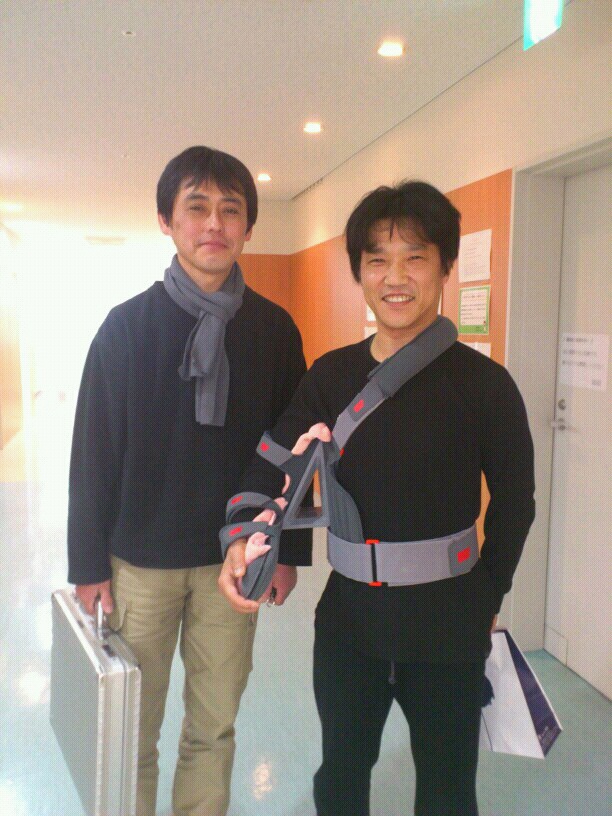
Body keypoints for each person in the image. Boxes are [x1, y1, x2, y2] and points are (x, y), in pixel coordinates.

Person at [219, 181, 535, 816]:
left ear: (445, 266)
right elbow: (271, 462)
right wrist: (241, 537)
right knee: (341, 775)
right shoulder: (331, 375)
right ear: (359, 272)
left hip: (449, 624)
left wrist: (486, 596)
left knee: (448, 790)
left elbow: (516, 502)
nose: (395, 277)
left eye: (415, 257)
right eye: (377, 260)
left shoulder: (486, 384)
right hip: (349, 623)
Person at [67, 146, 310, 816]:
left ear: (248, 227)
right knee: (132, 730)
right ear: (167, 222)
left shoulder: (274, 330)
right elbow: (92, 454)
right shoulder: (126, 328)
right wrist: (88, 565)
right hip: (138, 564)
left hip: (236, 563)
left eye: (230, 210)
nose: (214, 224)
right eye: (196, 207)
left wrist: (287, 551)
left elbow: (296, 452)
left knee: (214, 726)